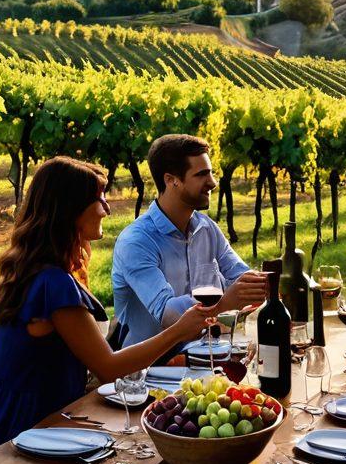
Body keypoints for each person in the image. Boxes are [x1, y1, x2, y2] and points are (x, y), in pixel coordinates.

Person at [0, 156, 212, 464]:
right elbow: (107, 368)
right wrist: (178, 331)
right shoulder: (53, 284)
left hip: (19, 424)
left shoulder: (42, 270)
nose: (107, 208)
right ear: (70, 209)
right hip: (12, 447)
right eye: (99, 199)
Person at [112, 134, 266, 348]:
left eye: (211, 173)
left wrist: (265, 283)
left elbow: (240, 275)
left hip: (198, 358)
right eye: (202, 174)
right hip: (147, 371)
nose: (212, 183)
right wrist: (224, 302)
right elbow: (168, 316)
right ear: (171, 180)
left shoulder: (206, 228)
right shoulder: (136, 241)